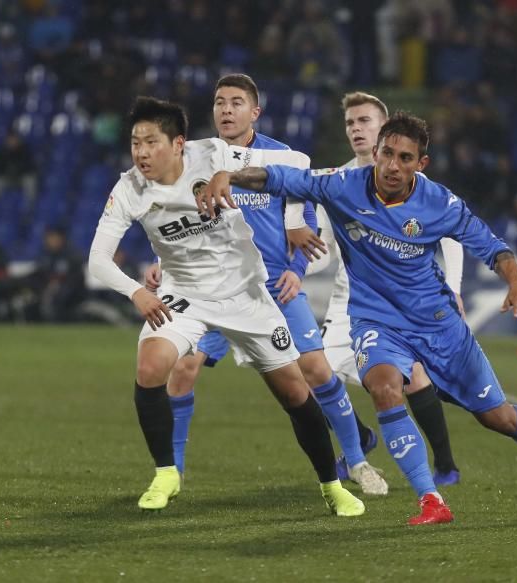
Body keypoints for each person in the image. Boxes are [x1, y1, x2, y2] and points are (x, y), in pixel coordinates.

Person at [196, 111, 517, 525]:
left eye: (405, 158)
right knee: (384, 388)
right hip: (376, 322)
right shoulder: (343, 186)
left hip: (438, 325)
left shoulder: (439, 203)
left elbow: (493, 247)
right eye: (387, 154)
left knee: (498, 417)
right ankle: (431, 500)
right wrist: (230, 176)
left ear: (420, 165)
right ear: (378, 152)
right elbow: (280, 179)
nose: (392, 166)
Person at [89, 96, 365, 516]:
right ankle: (166, 473)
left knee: (294, 390)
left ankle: (332, 485)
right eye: (135, 143)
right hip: (184, 296)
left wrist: (231, 174)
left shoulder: (213, 152)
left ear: (179, 143)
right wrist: (137, 292)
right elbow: (97, 259)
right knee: (151, 367)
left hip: (246, 296)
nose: (141, 153)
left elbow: (294, 161)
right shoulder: (129, 188)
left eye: (150, 142)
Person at [143, 75, 387, 496]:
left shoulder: (285, 159)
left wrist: (297, 269)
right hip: (210, 289)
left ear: (254, 112)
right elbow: (175, 222)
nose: (226, 110)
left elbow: (304, 221)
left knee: (315, 370)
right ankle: (173, 473)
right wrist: (162, 261)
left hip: (273, 285)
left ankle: (358, 461)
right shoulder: (194, 158)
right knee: (181, 369)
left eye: (237, 103)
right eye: (220, 102)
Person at [290, 92, 462, 486]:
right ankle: (361, 438)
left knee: (413, 376)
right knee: (310, 375)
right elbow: (326, 248)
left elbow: (451, 238)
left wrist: (453, 288)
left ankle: (446, 463)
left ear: (385, 129)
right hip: (346, 303)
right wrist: (295, 267)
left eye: (364, 121)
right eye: (350, 123)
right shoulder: (338, 182)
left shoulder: (415, 184)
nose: (355, 129)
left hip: (400, 302)